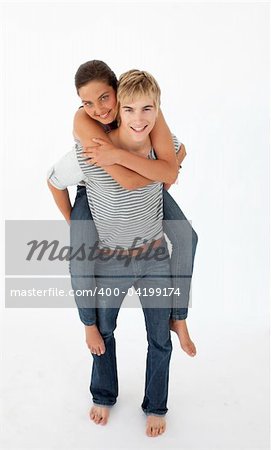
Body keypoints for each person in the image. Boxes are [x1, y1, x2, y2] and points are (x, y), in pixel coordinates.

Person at [48, 69, 192, 436]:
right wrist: (72, 222)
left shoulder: (160, 144)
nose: (138, 118)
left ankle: (156, 403)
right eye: (130, 110)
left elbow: (178, 157)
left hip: (154, 257)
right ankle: (103, 393)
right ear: (120, 110)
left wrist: (164, 168)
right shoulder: (91, 151)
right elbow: (53, 179)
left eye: (148, 110)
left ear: (156, 111)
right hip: (111, 260)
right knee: (103, 332)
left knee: (159, 339)